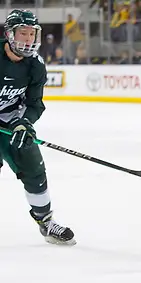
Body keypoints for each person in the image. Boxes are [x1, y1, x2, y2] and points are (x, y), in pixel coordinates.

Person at [0, 9, 75, 246]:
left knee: (34, 169)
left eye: (32, 34)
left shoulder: (35, 65)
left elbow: (35, 104)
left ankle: (45, 221)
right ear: (10, 33)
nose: (28, 39)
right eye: (23, 33)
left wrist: (24, 123)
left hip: (10, 123)